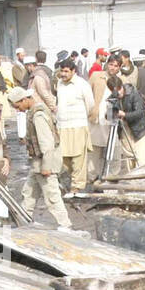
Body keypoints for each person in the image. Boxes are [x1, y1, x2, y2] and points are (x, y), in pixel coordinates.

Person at [7, 87, 72, 229]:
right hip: (38, 163)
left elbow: (46, 143)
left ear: (24, 100)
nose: (18, 110)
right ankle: (23, 221)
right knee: (28, 193)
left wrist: (46, 167)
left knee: (52, 197)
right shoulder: (35, 112)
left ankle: (65, 226)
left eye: (18, 106)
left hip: (44, 163)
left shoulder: (38, 116)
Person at [54, 58, 94, 191]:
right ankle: (70, 182)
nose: (63, 74)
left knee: (78, 159)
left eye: (66, 71)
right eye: (62, 71)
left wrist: (82, 118)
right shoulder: (59, 83)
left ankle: (77, 187)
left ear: (73, 71)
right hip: (62, 127)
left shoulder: (82, 84)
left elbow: (90, 105)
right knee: (64, 159)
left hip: (78, 125)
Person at [105, 73, 145, 168]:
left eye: (119, 90)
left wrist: (124, 115)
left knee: (142, 163)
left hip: (139, 131)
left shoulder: (133, 94)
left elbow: (139, 112)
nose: (118, 94)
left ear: (121, 86)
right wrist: (112, 113)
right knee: (131, 165)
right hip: (124, 133)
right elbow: (108, 117)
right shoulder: (112, 98)